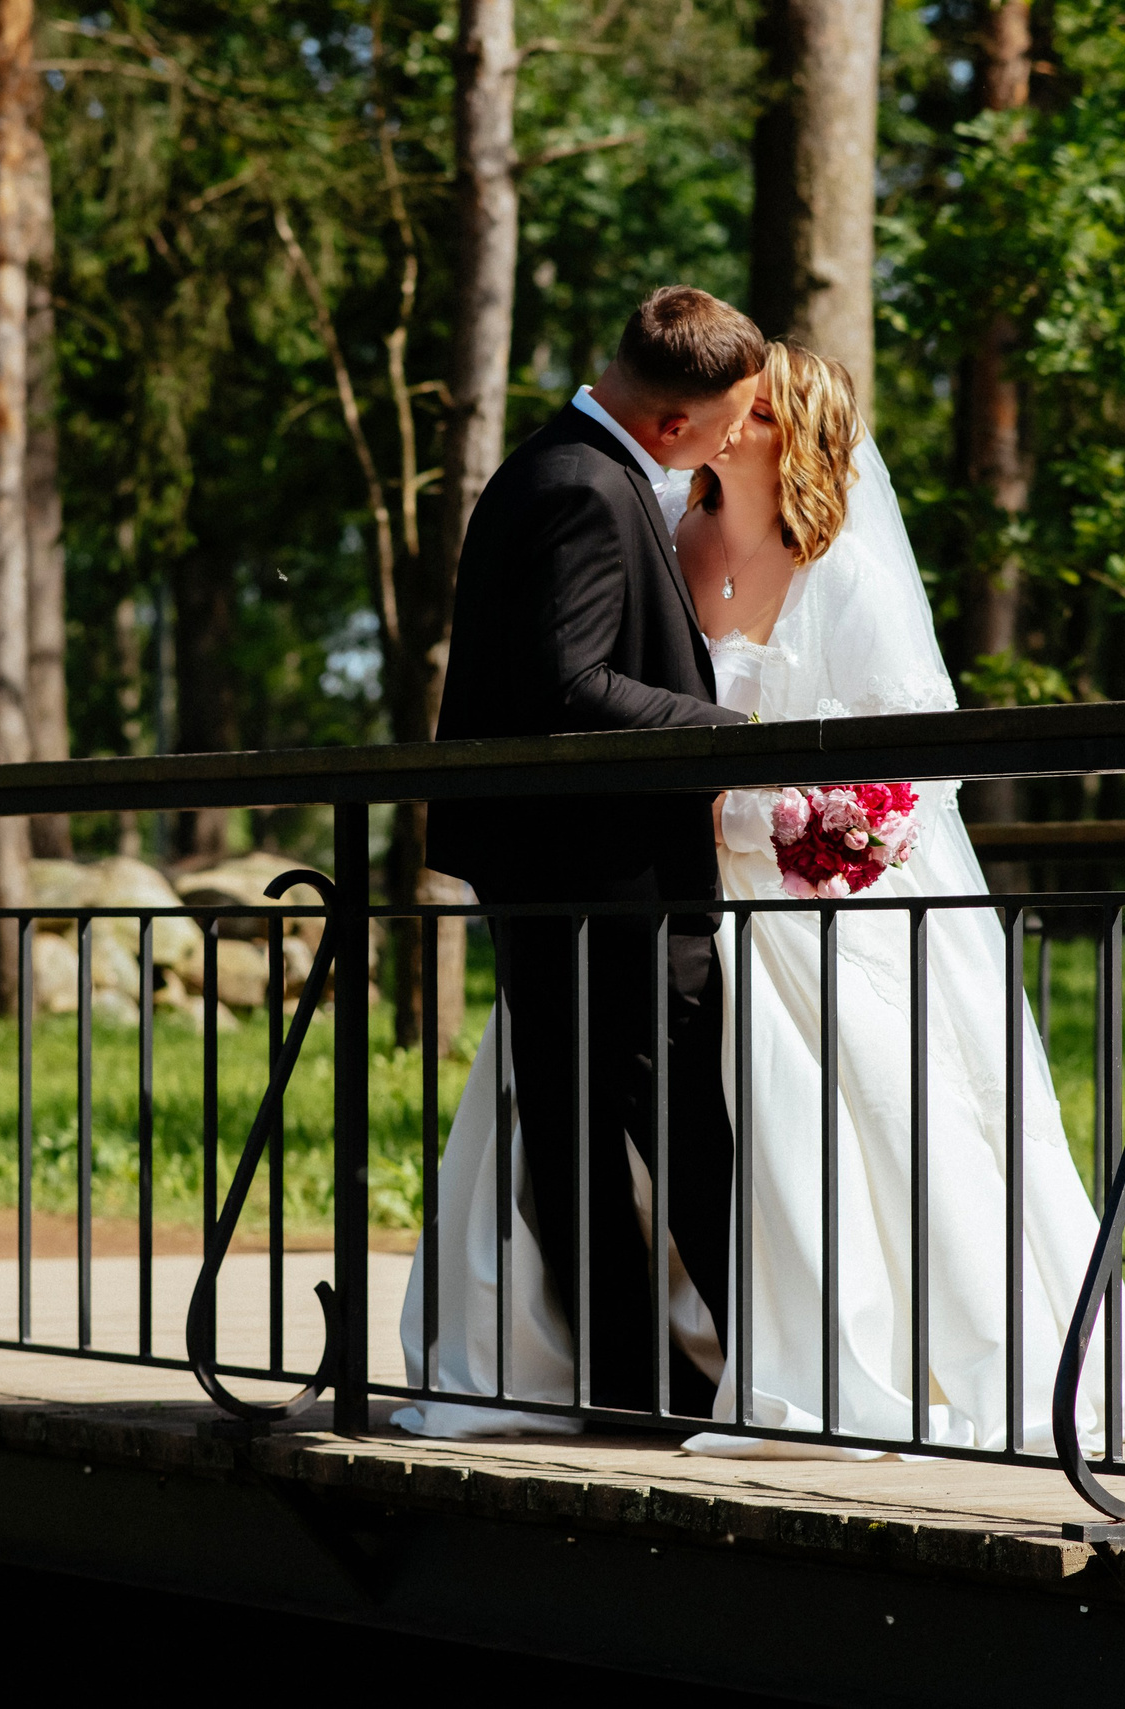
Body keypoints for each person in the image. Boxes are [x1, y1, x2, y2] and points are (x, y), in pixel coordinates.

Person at [400, 334, 1125, 1458]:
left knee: (810, 1119)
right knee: (615, 1114)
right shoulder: (668, 535)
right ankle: (635, 1363)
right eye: (731, 409)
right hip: (662, 880)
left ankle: (829, 1359)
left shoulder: (847, 576)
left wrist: (819, 822)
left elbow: (914, 769)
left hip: (794, 891)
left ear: (792, 432)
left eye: (755, 413)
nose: (730, 427)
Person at [420, 284, 764, 1417]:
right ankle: (756, 1380)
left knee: (581, 1128)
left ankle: (634, 1382)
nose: (723, 449)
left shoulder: (562, 466)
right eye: (723, 427)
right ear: (673, 424)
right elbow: (570, 688)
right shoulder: (581, 485)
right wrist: (739, 736)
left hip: (567, 869)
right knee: (675, 1128)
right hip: (599, 875)